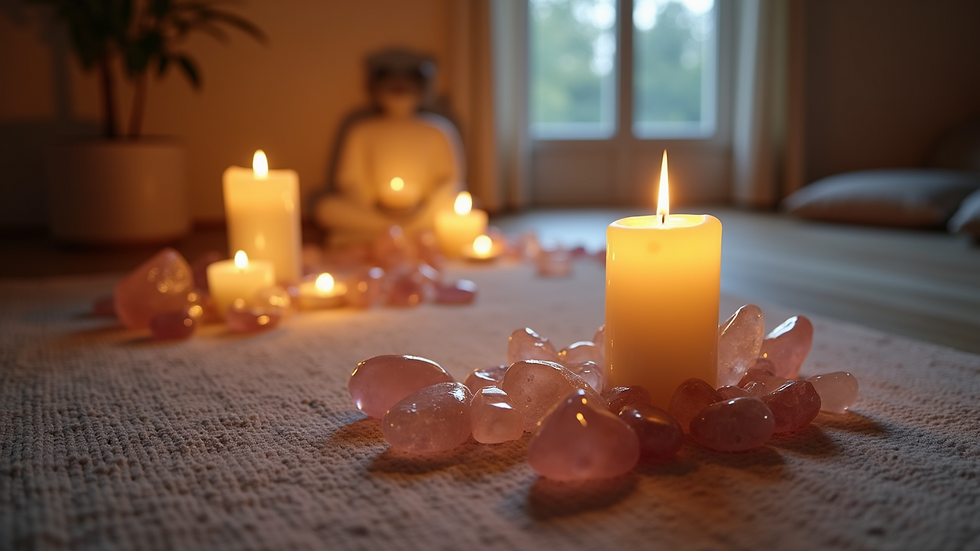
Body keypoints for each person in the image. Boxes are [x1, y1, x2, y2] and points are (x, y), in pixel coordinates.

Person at [315, 50, 465, 246]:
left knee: (460, 204)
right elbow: (348, 179)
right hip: (374, 210)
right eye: (391, 85)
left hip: (423, 209)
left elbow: (451, 181)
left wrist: (425, 209)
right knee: (326, 209)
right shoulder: (361, 130)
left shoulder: (439, 129)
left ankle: (389, 232)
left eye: (408, 85)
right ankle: (408, 232)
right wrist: (370, 206)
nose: (400, 91)